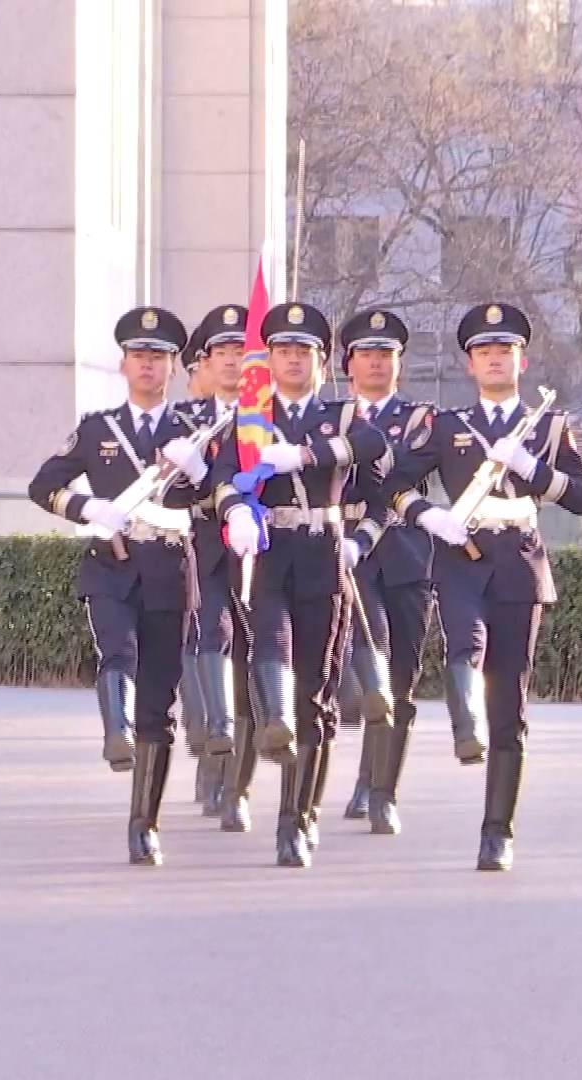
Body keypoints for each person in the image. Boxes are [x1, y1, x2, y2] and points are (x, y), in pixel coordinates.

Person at [384, 301, 582, 871]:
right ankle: (465, 728)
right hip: (462, 555)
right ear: (470, 364)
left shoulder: (548, 427)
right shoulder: (448, 426)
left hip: (519, 563)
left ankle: (497, 832)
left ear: (521, 361)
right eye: (484, 351)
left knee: (510, 706)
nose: (495, 358)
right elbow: (393, 485)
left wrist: (531, 468)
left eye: (505, 350)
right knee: (464, 644)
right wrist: (428, 515)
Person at [27, 305, 213, 866]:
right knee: (117, 650)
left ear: (174, 367)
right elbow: (43, 485)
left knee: (160, 700)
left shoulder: (195, 432)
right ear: (123, 364)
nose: (147, 365)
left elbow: (222, 497)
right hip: (111, 564)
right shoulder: (97, 429)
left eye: (158, 357)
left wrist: (200, 471)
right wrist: (89, 508)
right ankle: (117, 732)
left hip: (169, 569)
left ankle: (144, 824)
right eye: (138, 356)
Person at [209, 301, 391, 867]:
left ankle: (298, 816)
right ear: (270, 359)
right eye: (283, 350)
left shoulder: (342, 416)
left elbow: (375, 452)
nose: (292, 359)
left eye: (303, 351)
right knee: (271, 643)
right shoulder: (249, 419)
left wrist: (309, 456)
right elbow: (222, 479)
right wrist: (234, 510)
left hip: (323, 553)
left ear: (321, 362)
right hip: (269, 553)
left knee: (319, 689)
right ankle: (276, 721)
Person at [332, 308, 435, 836]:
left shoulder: (422, 421)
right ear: (348, 364)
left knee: (401, 678)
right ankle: (371, 787)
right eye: (366, 354)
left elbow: (402, 474)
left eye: (386, 354)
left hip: (404, 553)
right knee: (368, 657)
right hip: (345, 550)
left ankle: (380, 786)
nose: (376, 362)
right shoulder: (328, 418)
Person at [177, 304, 261, 827]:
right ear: (205, 362)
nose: (232, 361)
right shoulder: (184, 421)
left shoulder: (270, 418)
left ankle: (237, 786)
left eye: (241, 351)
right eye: (223, 352)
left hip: (261, 550)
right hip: (202, 549)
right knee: (211, 641)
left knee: (252, 663)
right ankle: (213, 760)